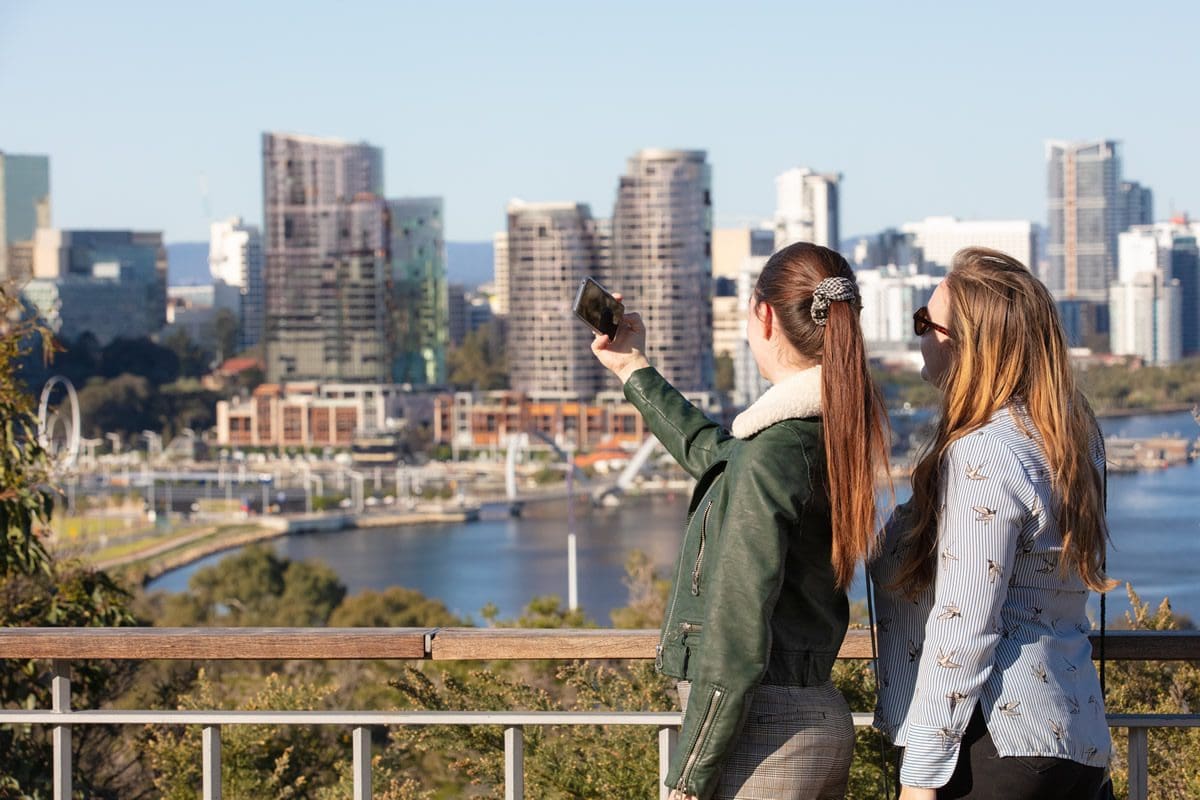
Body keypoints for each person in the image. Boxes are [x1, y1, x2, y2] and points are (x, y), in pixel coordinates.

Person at [591, 242, 890, 800]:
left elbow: (735, 632)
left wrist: (688, 778)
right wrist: (633, 367)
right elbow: (718, 457)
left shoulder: (775, 449)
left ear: (764, 316)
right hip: (816, 718)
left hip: (762, 736)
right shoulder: (821, 432)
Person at [869, 247, 1114, 799]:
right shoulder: (1072, 433)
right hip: (1077, 739)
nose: (918, 337)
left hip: (993, 743)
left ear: (966, 344)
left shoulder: (984, 451)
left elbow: (965, 623)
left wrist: (921, 774)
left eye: (923, 322)